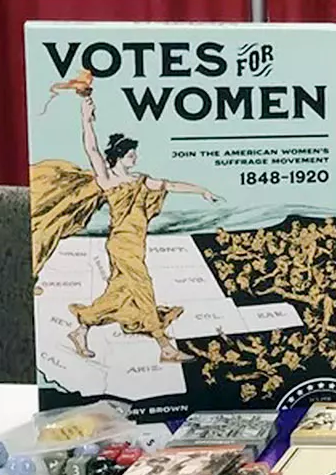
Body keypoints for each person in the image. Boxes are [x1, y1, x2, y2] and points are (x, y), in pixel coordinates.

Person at [32, 89, 220, 364]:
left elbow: (169, 185)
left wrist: (201, 190)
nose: (135, 157)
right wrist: (86, 118)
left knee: (118, 294)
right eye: (131, 154)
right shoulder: (108, 180)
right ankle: (165, 347)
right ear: (119, 156)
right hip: (121, 245)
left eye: (135, 154)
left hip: (136, 243)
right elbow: (92, 148)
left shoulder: (143, 180)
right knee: (143, 288)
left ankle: (81, 329)